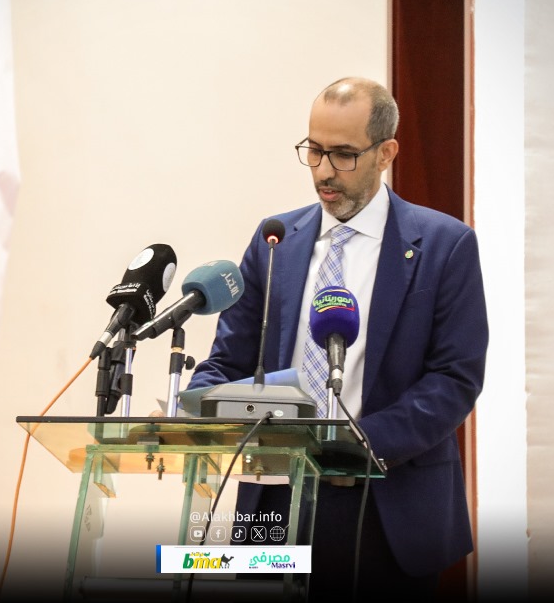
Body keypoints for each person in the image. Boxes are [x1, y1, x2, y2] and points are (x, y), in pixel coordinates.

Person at [187, 77, 488, 601]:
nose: (324, 171)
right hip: (274, 499)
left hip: (387, 500)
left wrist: (358, 446)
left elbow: (454, 379)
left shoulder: (445, 246)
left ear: (386, 153)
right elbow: (231, 359)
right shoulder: (275, 240)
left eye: (344, 155)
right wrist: (193, 411)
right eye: (314, 151)